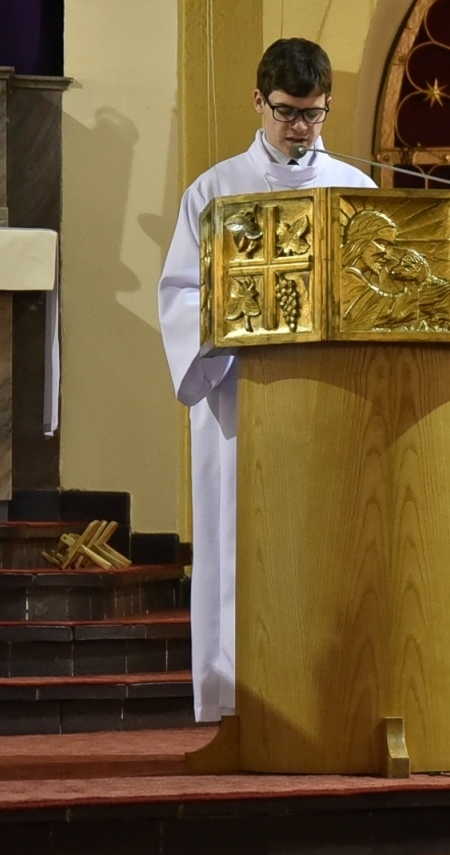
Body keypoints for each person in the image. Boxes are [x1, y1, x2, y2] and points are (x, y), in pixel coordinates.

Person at [157, 38, 375, 723]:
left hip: (331, 396)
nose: (298, 129)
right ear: (258, 101)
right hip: (241, 397)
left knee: (330, 543)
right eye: (285, 112)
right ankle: (232, 702)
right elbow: (180, 295)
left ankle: (336, 695)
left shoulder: (356, 190)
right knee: (236, 543)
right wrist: (235, 328)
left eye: (312, 115)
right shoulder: (215, 189)